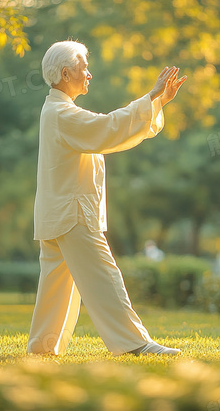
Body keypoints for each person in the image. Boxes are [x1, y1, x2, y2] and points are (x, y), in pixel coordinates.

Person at [27, 40, 187, 356]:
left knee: (56, 287)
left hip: (60, 214)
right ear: (65, 72)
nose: (89, 73)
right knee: (105, 276)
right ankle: (135, 344)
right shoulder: (62, 113)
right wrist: (152, 97)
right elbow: (108, 128)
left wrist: (157, 103)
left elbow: (106, 132)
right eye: (83, 67)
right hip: (72, 214)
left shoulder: (57, 110)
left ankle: (43, 349)